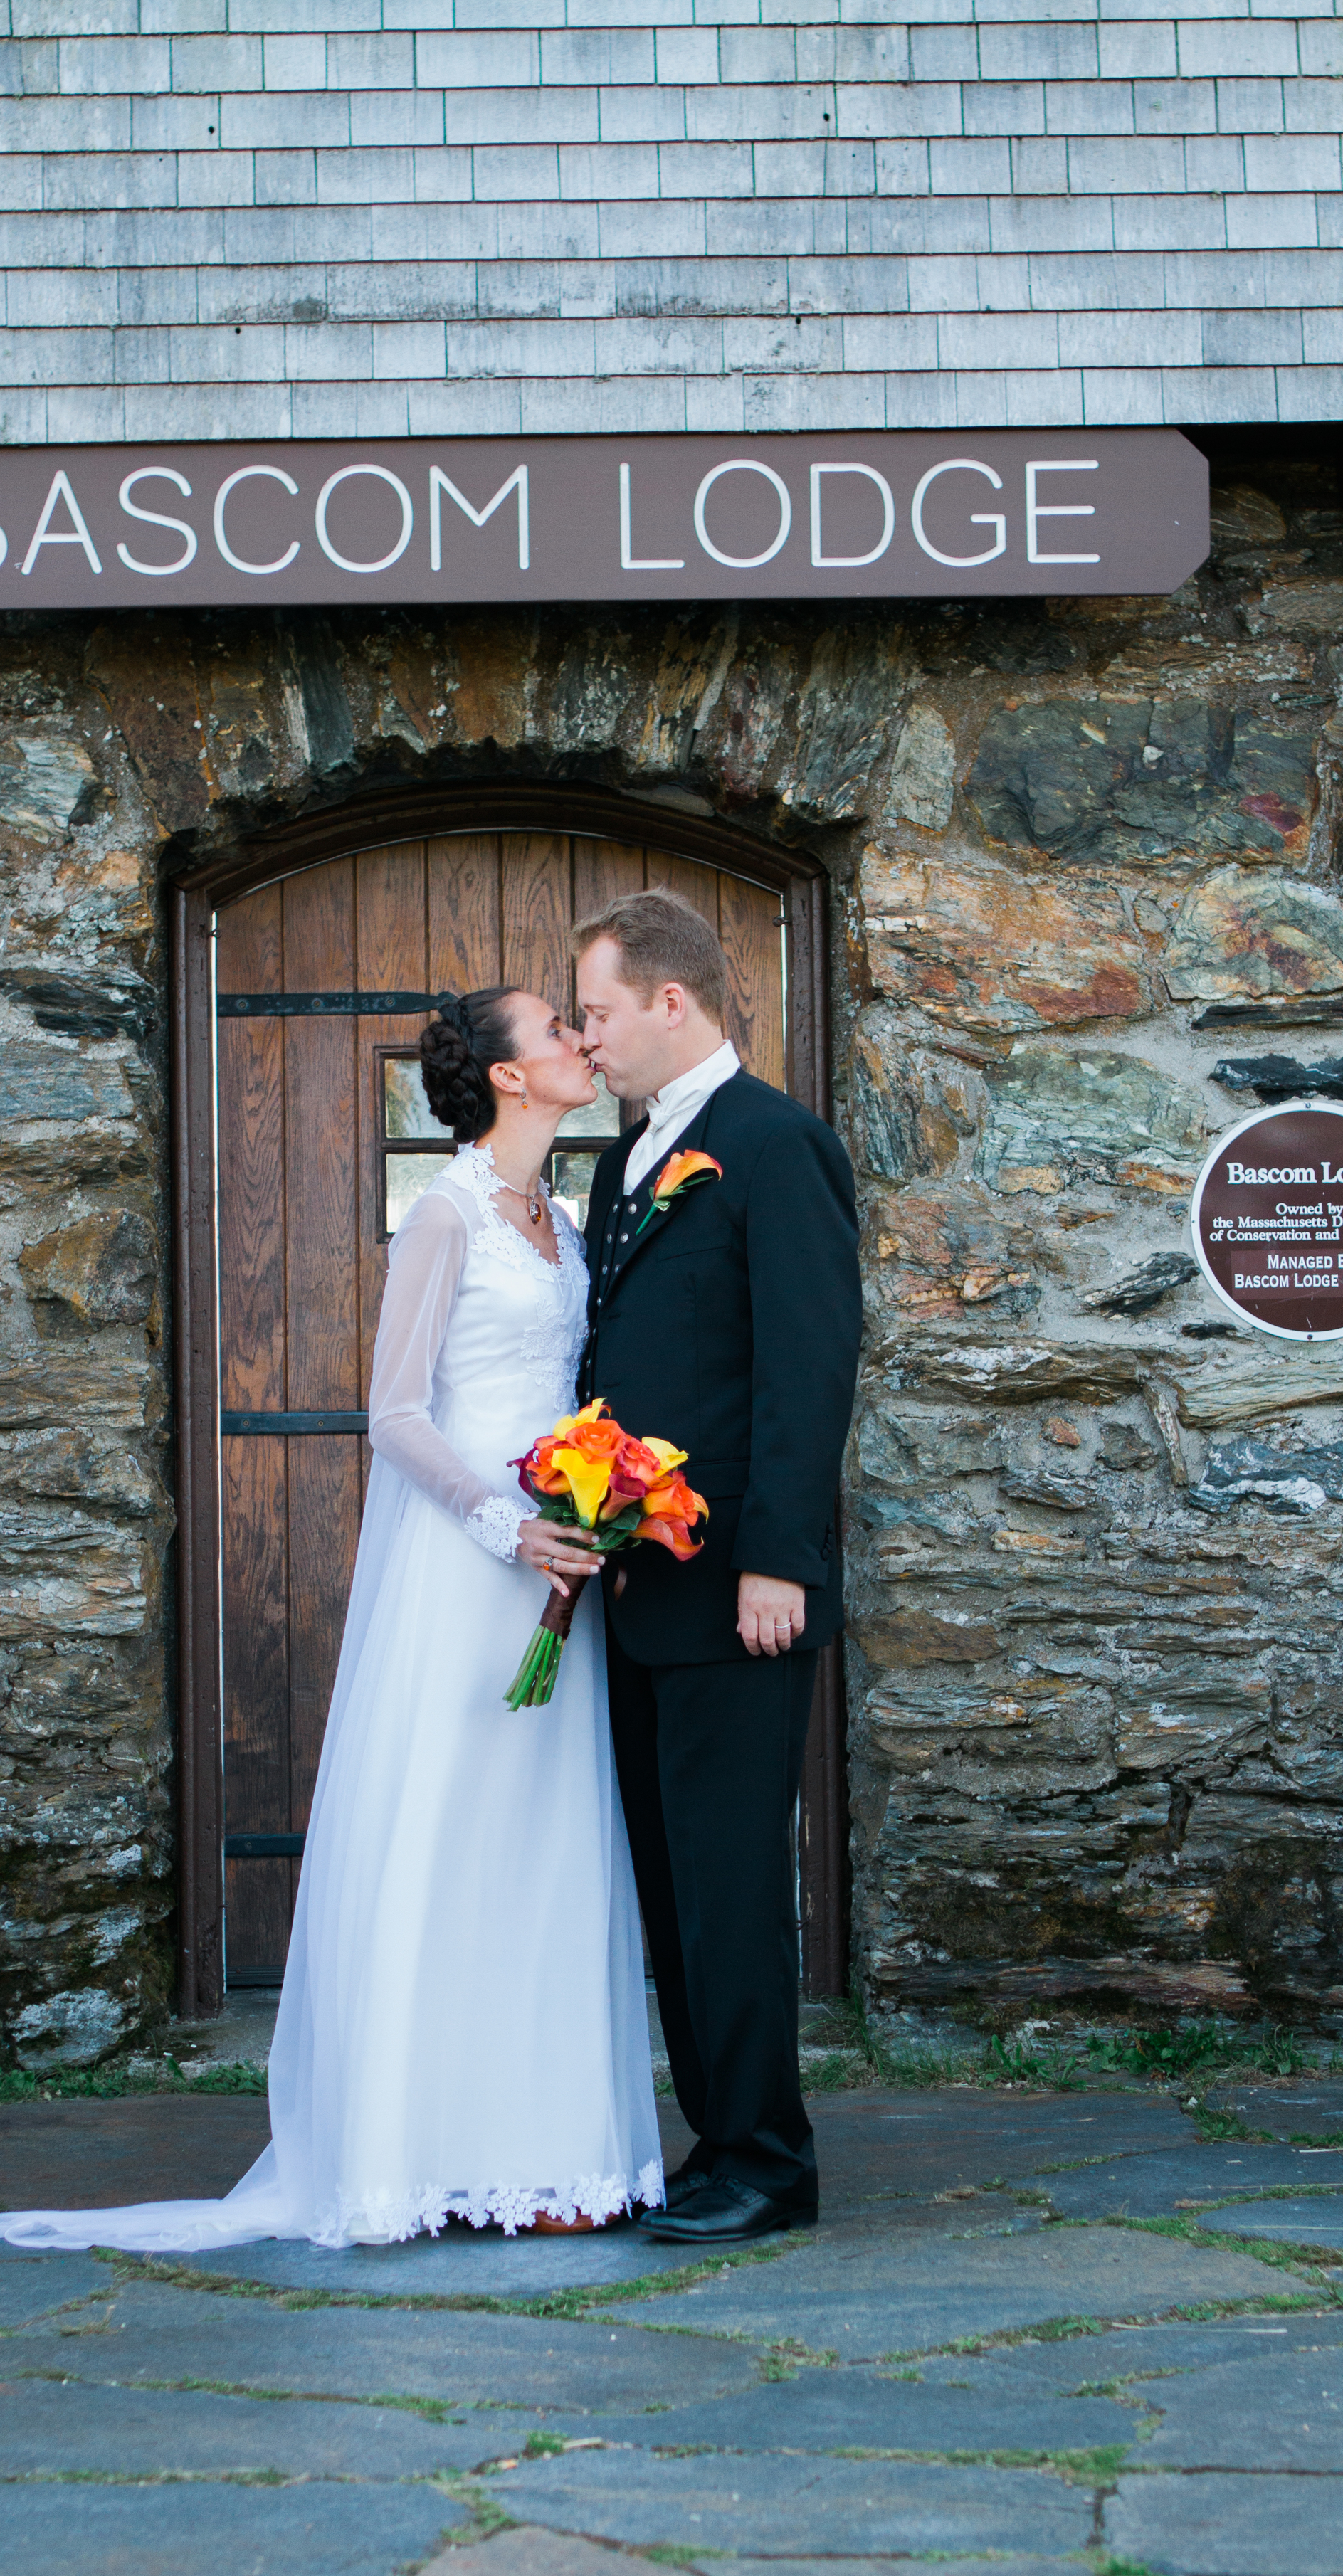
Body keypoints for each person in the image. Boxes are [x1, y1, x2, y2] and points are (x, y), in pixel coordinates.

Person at [0, 987, 662, 2254]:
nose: (578, 1042)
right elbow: (395, 1414)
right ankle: (414, 2155)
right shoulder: (444, 1216)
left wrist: (599, 1501)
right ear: (507, 1077)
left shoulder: (562, 1217)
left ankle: (547, 2154)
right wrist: (508, 1523)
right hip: (473, 1566)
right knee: (448, 1841)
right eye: (555, 1028)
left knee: (545, 1854)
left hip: (564, 1561)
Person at [574, 890, 860, 2247]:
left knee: (735, 1880)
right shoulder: (621, 1161)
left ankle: (770, 2158)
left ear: (670, 1004)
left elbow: (808, 1367)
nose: (588, 1038)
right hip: (642, 1593)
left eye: (600, 1011)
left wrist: (779, 1561)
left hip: (741, 1592)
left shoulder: (774, 1143)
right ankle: (716, 2137)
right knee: (675, 1881)